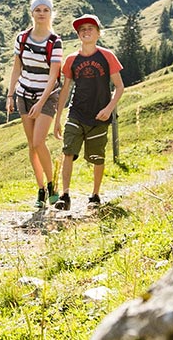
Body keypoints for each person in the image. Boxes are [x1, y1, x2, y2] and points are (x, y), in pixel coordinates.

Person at [51, 14, 124, 211]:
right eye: (82, 29)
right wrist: (58, 118)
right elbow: (65, 90)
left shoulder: (107, 56)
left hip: (99, 117)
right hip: (76, 113)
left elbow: (119, 87)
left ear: (98, 33)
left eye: (90, 28)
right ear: (78, 35)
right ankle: (65, 196)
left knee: (97, 157)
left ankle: (95, 195)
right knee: (68, 152)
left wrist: (109, 110)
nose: (86, 31)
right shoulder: (72, 60)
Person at [5, 0, 64, 209]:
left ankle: (52, 186)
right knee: (32, 145)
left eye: (45, 10)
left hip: (46, 96)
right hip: (24, 94)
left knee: (39, 141)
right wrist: (10, 95)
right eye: (38, 10)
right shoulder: (22, 38)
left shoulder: (54, 42)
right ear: (32, 13)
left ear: (51, 13)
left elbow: (53, 75)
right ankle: (40, 189)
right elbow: (16, 68)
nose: (41, 14)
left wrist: (41, 102)